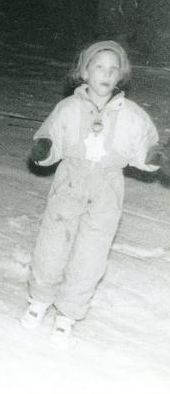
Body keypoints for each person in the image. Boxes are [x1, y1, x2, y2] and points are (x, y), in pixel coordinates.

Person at [22, 40, 168, 343]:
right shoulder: (68, 108)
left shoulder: (131, 114)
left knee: (91, 254)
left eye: (114, 69)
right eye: (99, 66)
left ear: (120, 77)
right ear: (84, 72)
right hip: (70, 182)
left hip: (107, 188)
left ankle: (68, 313)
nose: (107, 73)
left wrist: (155, 156)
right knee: (51, 245)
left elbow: (144, 145)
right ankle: (39, 300)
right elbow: (50, 136)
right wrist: (44, 149)